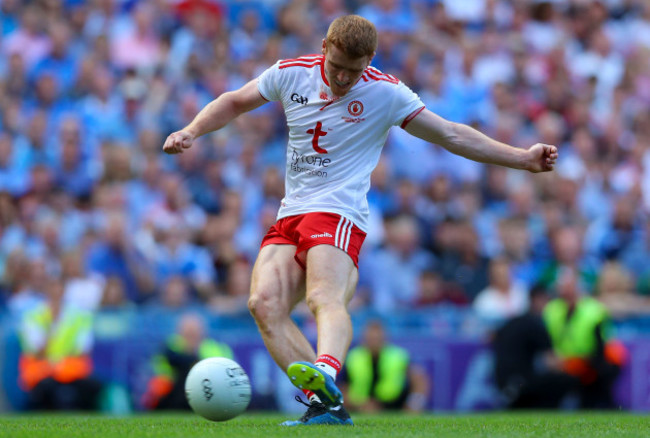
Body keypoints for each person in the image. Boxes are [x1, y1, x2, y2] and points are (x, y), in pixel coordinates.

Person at [163, 15, 558, 425]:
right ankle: (329, 405)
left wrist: (522, 158)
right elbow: (234, 101)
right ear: (324, 47)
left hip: (338, 211)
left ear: (370, 59)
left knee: (323, 297)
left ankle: (327, 374)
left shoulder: (385, 92)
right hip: (292, 210)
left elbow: (452, 134)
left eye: (353, 70)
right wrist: (192, 130)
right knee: (263, 305)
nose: (343, 77)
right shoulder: (290, 73)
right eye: (336, 66)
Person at [543, 267, 627, 409]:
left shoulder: (594, 309)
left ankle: (606, 403)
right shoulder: (551, 310)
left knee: (612, 358)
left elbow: (603, 342)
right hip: (563, 360)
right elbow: (545, 340)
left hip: (589, 359)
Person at [17, 277, 103, 410]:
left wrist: (59, 364)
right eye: (52, 287)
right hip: (42, 372)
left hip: (71, 371)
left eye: (59, 288)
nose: (56, 292)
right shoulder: (34, 316)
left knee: (91, 387)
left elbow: (83, 349)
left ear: (64, 291)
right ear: (46, 290)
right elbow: (37, 350)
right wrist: (51, 325)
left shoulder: (80, 316)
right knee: (46, 388)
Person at [492, 285, 580, 409]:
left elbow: (493, 336)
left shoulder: (514, 321)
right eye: (547, 300)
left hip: (502, 381)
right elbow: (552, 362)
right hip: (520, 383)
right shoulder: (536, 324)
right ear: (537, 300)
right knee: (567, 379)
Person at [141, 313, 233, 410]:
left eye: (194, 332)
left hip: (209, 391)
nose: (191, 335)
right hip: (175, 391)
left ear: (202, 332)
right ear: (179, 332)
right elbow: (162, 373)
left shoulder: (214, 348)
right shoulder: (170, 346)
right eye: (188, 332)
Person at [340, 319, 430, 413]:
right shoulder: (354, 357)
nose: (374, 342)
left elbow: (419, 379)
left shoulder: (398, 355)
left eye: (377, 338)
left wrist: (414, 404)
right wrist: (359, 405)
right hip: (360, 407)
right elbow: (343, 387)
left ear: (385, 338)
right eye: (371, 339)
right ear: (364, 339)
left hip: (394, 407)